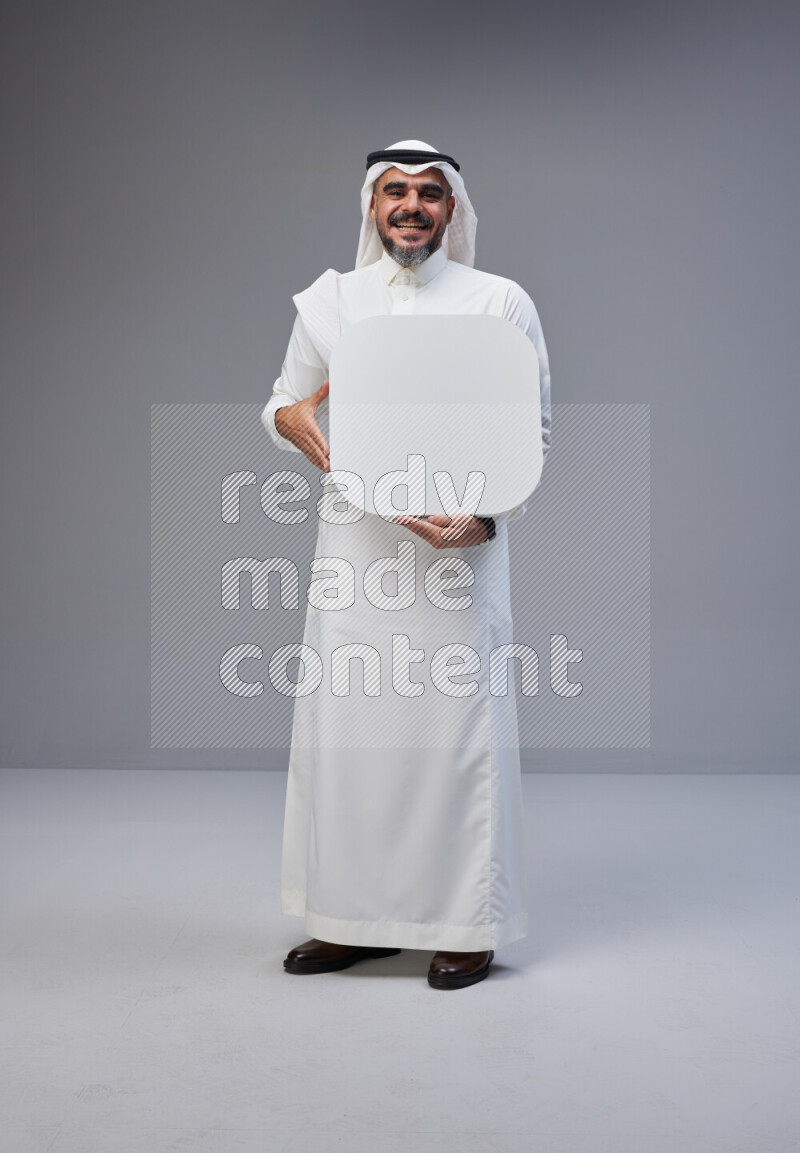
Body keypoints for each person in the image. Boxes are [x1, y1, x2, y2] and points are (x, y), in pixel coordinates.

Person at [261, 140, 551, 989]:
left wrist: (482, 519)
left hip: (458, 560)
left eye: (429, 192)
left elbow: (534, 433)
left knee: (455, 742)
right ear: (372, 205)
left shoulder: (500, 301)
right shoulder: (333, 302)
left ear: (452, 208)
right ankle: (349, 920)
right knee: (352, 739)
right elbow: (283, 400)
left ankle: (467, 924)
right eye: (396, 191)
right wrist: (291, 423)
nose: (412, 206)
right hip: (356, 554)